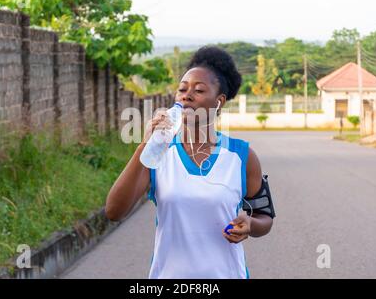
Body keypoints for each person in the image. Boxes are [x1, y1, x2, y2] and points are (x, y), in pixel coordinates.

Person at [105, 46, 273, 278]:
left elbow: (265, 217)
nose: (187, 95)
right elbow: (114, 211)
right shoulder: (158, 153)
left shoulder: (242, 156)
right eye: (182, 89)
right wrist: (145, 145)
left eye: (199, 90)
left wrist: (250, 225)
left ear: (219, 101)